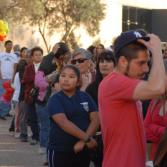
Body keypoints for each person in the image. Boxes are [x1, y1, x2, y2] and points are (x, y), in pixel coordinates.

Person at [98, 30, 166, 167]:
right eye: (141, 63)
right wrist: (158, 52)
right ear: (123, 61)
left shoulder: (125, 83)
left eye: (147, 62)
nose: (146, 69)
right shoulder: (114, 83)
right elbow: (159, 88)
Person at [47, 65, 99, 167]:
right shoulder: (55, 99)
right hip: (60, 150)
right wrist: (87, 139)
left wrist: (83, 142)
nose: (66, 80)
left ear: (78, 82)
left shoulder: (85, 96)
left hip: (83, 149)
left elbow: (96, 119)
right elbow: (63, 122)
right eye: (63, 76)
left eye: (71, 77)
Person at [144, 59, 167, 161]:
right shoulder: (155, 100)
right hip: (156, 157)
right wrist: (162, 131)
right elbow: (145, 129)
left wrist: (154, 128)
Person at [0, 40, 18, 119]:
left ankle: (6, 111)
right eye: (8, 45)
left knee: (9, 96)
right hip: (2, 78)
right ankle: (2, 113)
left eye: (11, 45)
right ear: (5, 46)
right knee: (3, 96)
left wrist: (13, 78)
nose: (10, 46)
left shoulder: (14, 56)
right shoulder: (1, 54)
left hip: (11, 79)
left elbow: (15, 67)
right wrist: (0, 76)